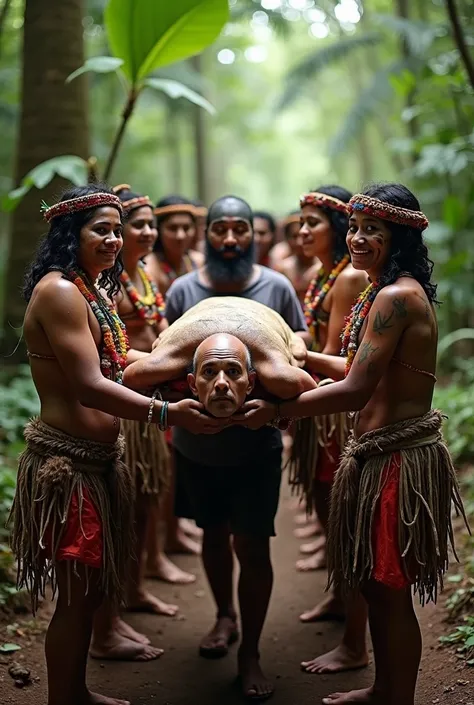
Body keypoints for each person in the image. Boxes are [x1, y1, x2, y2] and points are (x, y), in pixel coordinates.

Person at [230, 183, 469, 705]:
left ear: (400, 237)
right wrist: (304, 358)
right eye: (356, 229)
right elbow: (361, 370)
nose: (358, 239)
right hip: (380, 454)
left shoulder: (396, 296)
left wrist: (277, 412)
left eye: (373, 231)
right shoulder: (382, 290)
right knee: (375, 588)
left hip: (397, 459)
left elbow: (358, 388)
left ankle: (395, 696)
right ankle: (384, 688)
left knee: (389, 592)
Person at [9, 185, 223, 705]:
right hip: (69, 466)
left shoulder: (91, 291)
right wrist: (166, 412)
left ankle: (76, 690)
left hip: (98, 462)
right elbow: (88, 384)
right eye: (100, 229)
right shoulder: (59, 292)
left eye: (115, 229)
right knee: (77, 597)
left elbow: (118, 362)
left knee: (93, 589)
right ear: (69, 235)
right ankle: (67, 696)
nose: (113, 239)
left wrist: (186, 361)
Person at [127, 195, 311, 701]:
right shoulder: (184, 290)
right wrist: (172, 405)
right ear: (209, 234)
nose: (230, 239)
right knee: (212, 535)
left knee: (252, 545)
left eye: (240, 230)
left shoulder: (275, 286)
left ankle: (249, 651)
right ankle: (224, 617)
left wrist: (279, 402)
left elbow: (298, 345)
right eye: (221, 230)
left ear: (253, 233)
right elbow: (159, 362)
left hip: (256, 449)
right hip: (194, 447)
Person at [290, 187, 368, 629]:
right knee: (326, 504)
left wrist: (291, 353)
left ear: (335, 227)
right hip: (319, 403)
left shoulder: (348, 278)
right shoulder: (327, 274)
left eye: (312, 223)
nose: (302, 231)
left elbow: (335, 353)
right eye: (300, 223)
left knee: (340, 510)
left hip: (332, 410)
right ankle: (340, 597)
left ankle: (351, 616)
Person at [114, 184, 195, 605]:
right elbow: (110, 349)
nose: (147, 232)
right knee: (134, 496)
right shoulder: (110, 282)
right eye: (138, 225)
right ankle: (132, 586)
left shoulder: (143, 274)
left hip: (152, 388)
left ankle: (146, 571)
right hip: (130, 398)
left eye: (150, 224)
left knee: (149, 492)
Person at [146, 195, 204, 295]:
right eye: (172, 228)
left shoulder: (200, 262)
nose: (180, 236)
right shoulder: (149, 268)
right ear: (159, 229)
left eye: (186, 228)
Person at [275, 211, 319, 305]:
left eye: (303, 236)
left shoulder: (323, 268)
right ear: (286, 239)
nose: (300, 242)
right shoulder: (282, 268)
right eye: (294, 236)